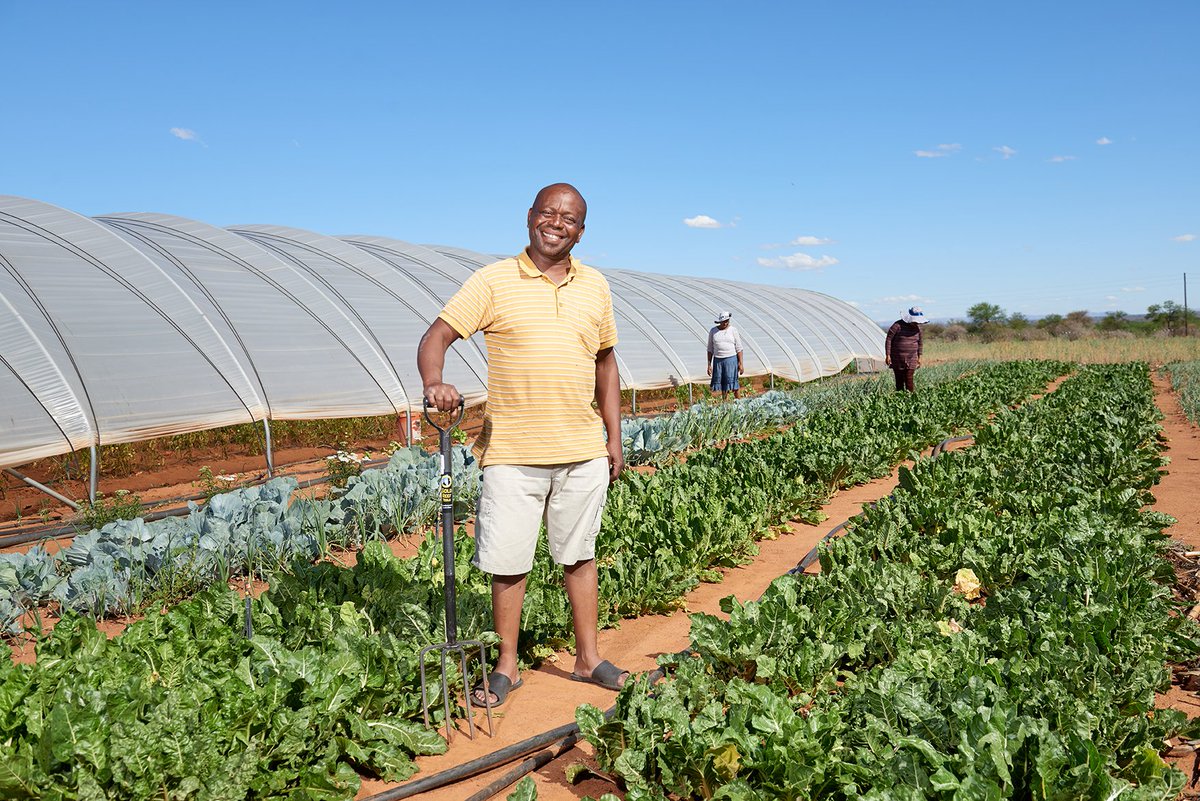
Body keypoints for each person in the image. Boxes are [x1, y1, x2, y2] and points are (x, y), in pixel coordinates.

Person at [417, 182, 629, 708]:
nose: (557, 223)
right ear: (530, 216)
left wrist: (614, 436)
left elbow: (606, 365)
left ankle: (587, 658)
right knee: (510, 562)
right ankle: (506, 666)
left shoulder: (595, 286)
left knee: (580, 556)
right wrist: (434, 382)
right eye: (548, 213)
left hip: (582, 449)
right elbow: (436, 336)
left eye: (570, 218)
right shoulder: (493, 281)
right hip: (512, 450)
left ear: (582, 230)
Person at [885, 305, 929, 391]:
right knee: (899, 380)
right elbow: (889, 339)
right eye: (915, 322)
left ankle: (910, 399)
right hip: (897, 358)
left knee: (909, 379)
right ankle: (900, 399)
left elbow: (920, 343)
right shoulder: (897, 325)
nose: (916, 323)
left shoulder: (918, 328)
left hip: (912, 357)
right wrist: (888, 355)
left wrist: (920, 357)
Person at [706, 311, 744, 400]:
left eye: (727, 321)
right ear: (720, 321)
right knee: (723, 385)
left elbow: (739, 348)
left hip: (731, 360)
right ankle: (725, 405)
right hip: (718, 360)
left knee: (733, 384)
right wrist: (709, 365)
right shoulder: (713, 331)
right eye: (724, 321)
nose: (725, 323)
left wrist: (741, 363)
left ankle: (739, 403)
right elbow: (710, 349)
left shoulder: (733, 330)